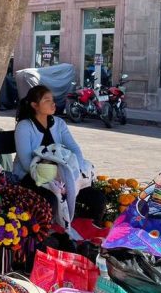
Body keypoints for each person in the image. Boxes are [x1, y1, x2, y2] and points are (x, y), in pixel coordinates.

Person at [13, 85, 105, 223]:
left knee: (98, 198)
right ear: (35, 105)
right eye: (47, 100)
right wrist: (54, 178)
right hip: (33, 178)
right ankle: (54, 236)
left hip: (63, 177)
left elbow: (75, 149)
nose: (53, 103)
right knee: (51, 200)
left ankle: (83, 234)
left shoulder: (59, 123)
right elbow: (27, 164)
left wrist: (76, 173)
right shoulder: (24, 127)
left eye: (53, 99)